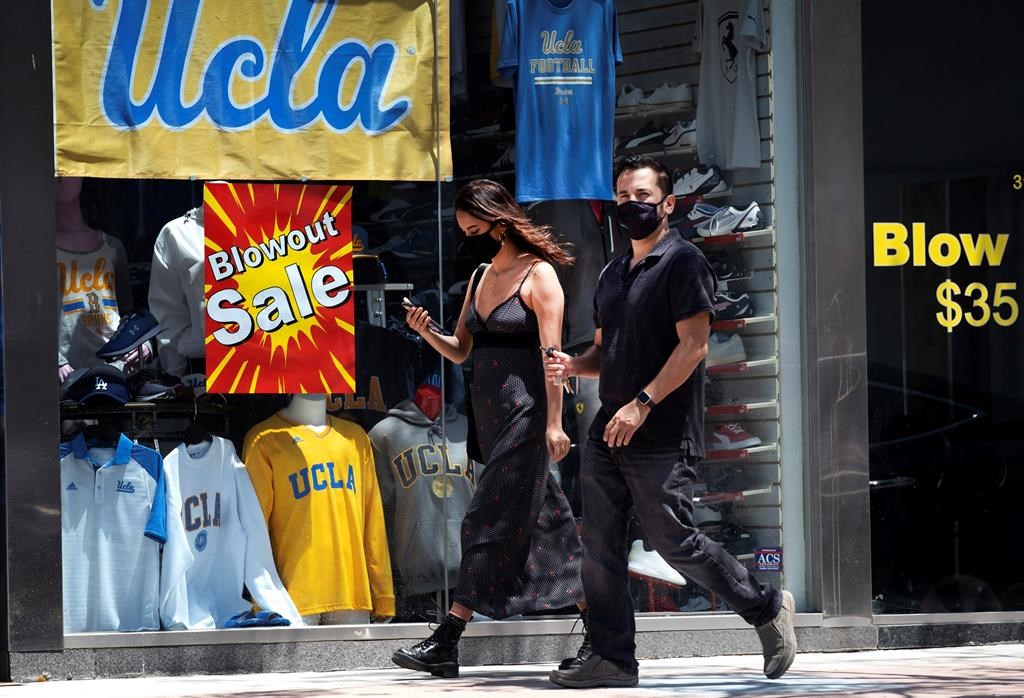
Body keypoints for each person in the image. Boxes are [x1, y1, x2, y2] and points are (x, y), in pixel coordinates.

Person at [543, 155, 796, 689]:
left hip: (659, 429)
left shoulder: (683, 263)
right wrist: (573, 365)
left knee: (675, 540)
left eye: (641, 197)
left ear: (667, 203)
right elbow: (603, 351)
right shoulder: (613, 272)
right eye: (622, 197)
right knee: (600, 545)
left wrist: (643, 402)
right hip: (609, 427)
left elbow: (694, 346)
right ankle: (612, 658)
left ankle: (766, 606)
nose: (629, 206)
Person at [392, 179, 586, 678]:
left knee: (483, 520)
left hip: (526, 417)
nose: (469, 239)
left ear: (500, 223)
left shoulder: (539, 276)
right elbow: (461, 350)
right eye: (463, 231)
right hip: (491, 422)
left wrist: (555, 424)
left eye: (475, 229)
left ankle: (448, 638)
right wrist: (425, 331)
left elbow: (552, 359)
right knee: (551, 531)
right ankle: (603, 632)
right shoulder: (480, 275)